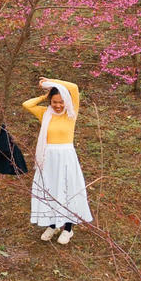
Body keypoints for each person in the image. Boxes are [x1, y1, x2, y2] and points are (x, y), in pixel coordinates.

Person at [23, 77, 93, 244]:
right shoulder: (45, 114)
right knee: (51, 190)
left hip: (66, 158)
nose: (58, 105)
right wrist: (44, 95)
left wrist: (51, 81)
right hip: (49, 159)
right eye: (54, 102)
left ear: (66, 102)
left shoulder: (71, 114)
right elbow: (27, 104)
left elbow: (74, 87)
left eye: (61, 102)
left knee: (67, 190)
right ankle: (52, 224)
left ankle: (68, 229)